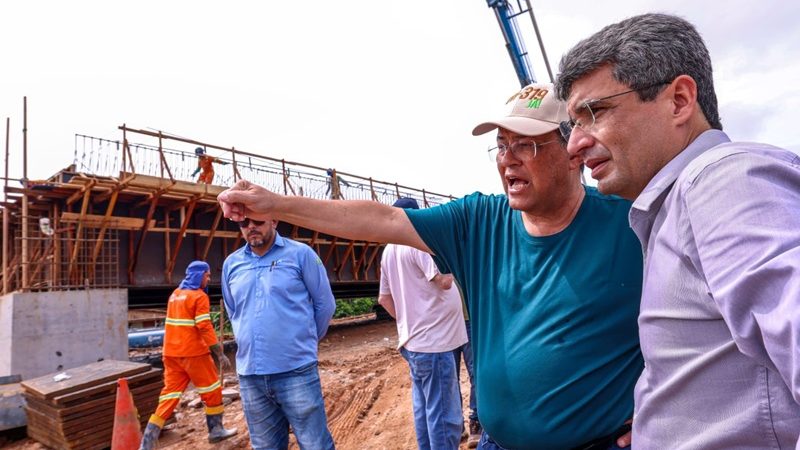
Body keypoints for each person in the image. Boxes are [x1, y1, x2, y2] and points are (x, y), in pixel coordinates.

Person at [216, 82, 644, 450]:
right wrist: (274, 203)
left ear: (572, 153)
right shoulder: (480, 221)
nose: (508, 159)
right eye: (501, 145)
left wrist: (660, 406)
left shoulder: (631, 225)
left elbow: (695, 325)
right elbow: (380, 219)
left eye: (526, 145)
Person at [556, 13, 800, 449]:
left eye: (593, 113)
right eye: (571, 125)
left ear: (679, 101)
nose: (574, 145)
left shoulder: (723, 182)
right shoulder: (673, 206)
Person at [221, 215, 337, 449]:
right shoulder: (231, 264)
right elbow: (233, 310)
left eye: (257, 221)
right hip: (251, 377)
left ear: (273, 221)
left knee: (315, 444)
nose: (251, 227)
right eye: (244, 223)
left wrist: (305, 341)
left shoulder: (301, 255)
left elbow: (325, 305)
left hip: (296, 372)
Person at [379, 197, 468, 450]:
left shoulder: (389, 250)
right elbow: (444, 281)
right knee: (444, 416)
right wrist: (456, 260)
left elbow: (384, 298)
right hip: (435, 344)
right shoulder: (417, 243)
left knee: (424, 409)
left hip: (416, 343)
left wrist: (410, 318)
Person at [139, 261, 237, 450]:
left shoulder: (175, 295)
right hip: (194, 354)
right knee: (212, 390)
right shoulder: (199, 297)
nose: (209, 279)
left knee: (169, 395)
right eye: (207, 275)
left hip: (171, 354)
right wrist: (220, 353)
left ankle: (147, 443)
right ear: (199, 275)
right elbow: (204, 326)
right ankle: (216, 430)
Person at [451, 293, 480, 448]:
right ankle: (457, 425)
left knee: (476, 373)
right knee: (450, 378)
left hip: (469, 319)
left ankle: (475, 422)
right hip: (445, 322)